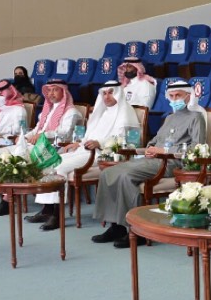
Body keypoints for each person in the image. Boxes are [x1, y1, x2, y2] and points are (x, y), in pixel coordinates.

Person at [91, 80, 206, 248]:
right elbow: (156, 140)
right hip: (152, 159)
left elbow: (196, 148)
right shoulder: (169, 118)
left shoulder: (196, 118)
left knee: (126, 176)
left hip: (172, 162)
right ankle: (116, 227)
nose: (175, 99)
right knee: (108, 173)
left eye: (178, 96)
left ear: (188, 96)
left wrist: (163, 150)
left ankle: (137, 231)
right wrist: (150, 148)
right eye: (172, 96)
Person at [24, 80, 142, 231]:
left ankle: (57, 215)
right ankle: (47, 209)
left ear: (118, 94)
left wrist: (99, 143)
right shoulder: (102, 112)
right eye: (104, 93)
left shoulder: (125, 112)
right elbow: (89, 136)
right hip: (85, 150)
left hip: (103, 154)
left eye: (111, 93)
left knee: (59, 167)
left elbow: (127, 141)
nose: (106, 97)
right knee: (49, 162)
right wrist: (78, 143)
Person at [0, 79, 84, 217]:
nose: (51, 93)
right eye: (49, 90)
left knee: (17, 158)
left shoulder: (71, 112)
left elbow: (64, 134)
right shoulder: (48, 110)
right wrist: (23, 137)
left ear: (64, 92)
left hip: (52, 148)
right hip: (35, 145)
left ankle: (7, 202)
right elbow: (36, 129)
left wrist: (42, 135)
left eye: (55, 90)